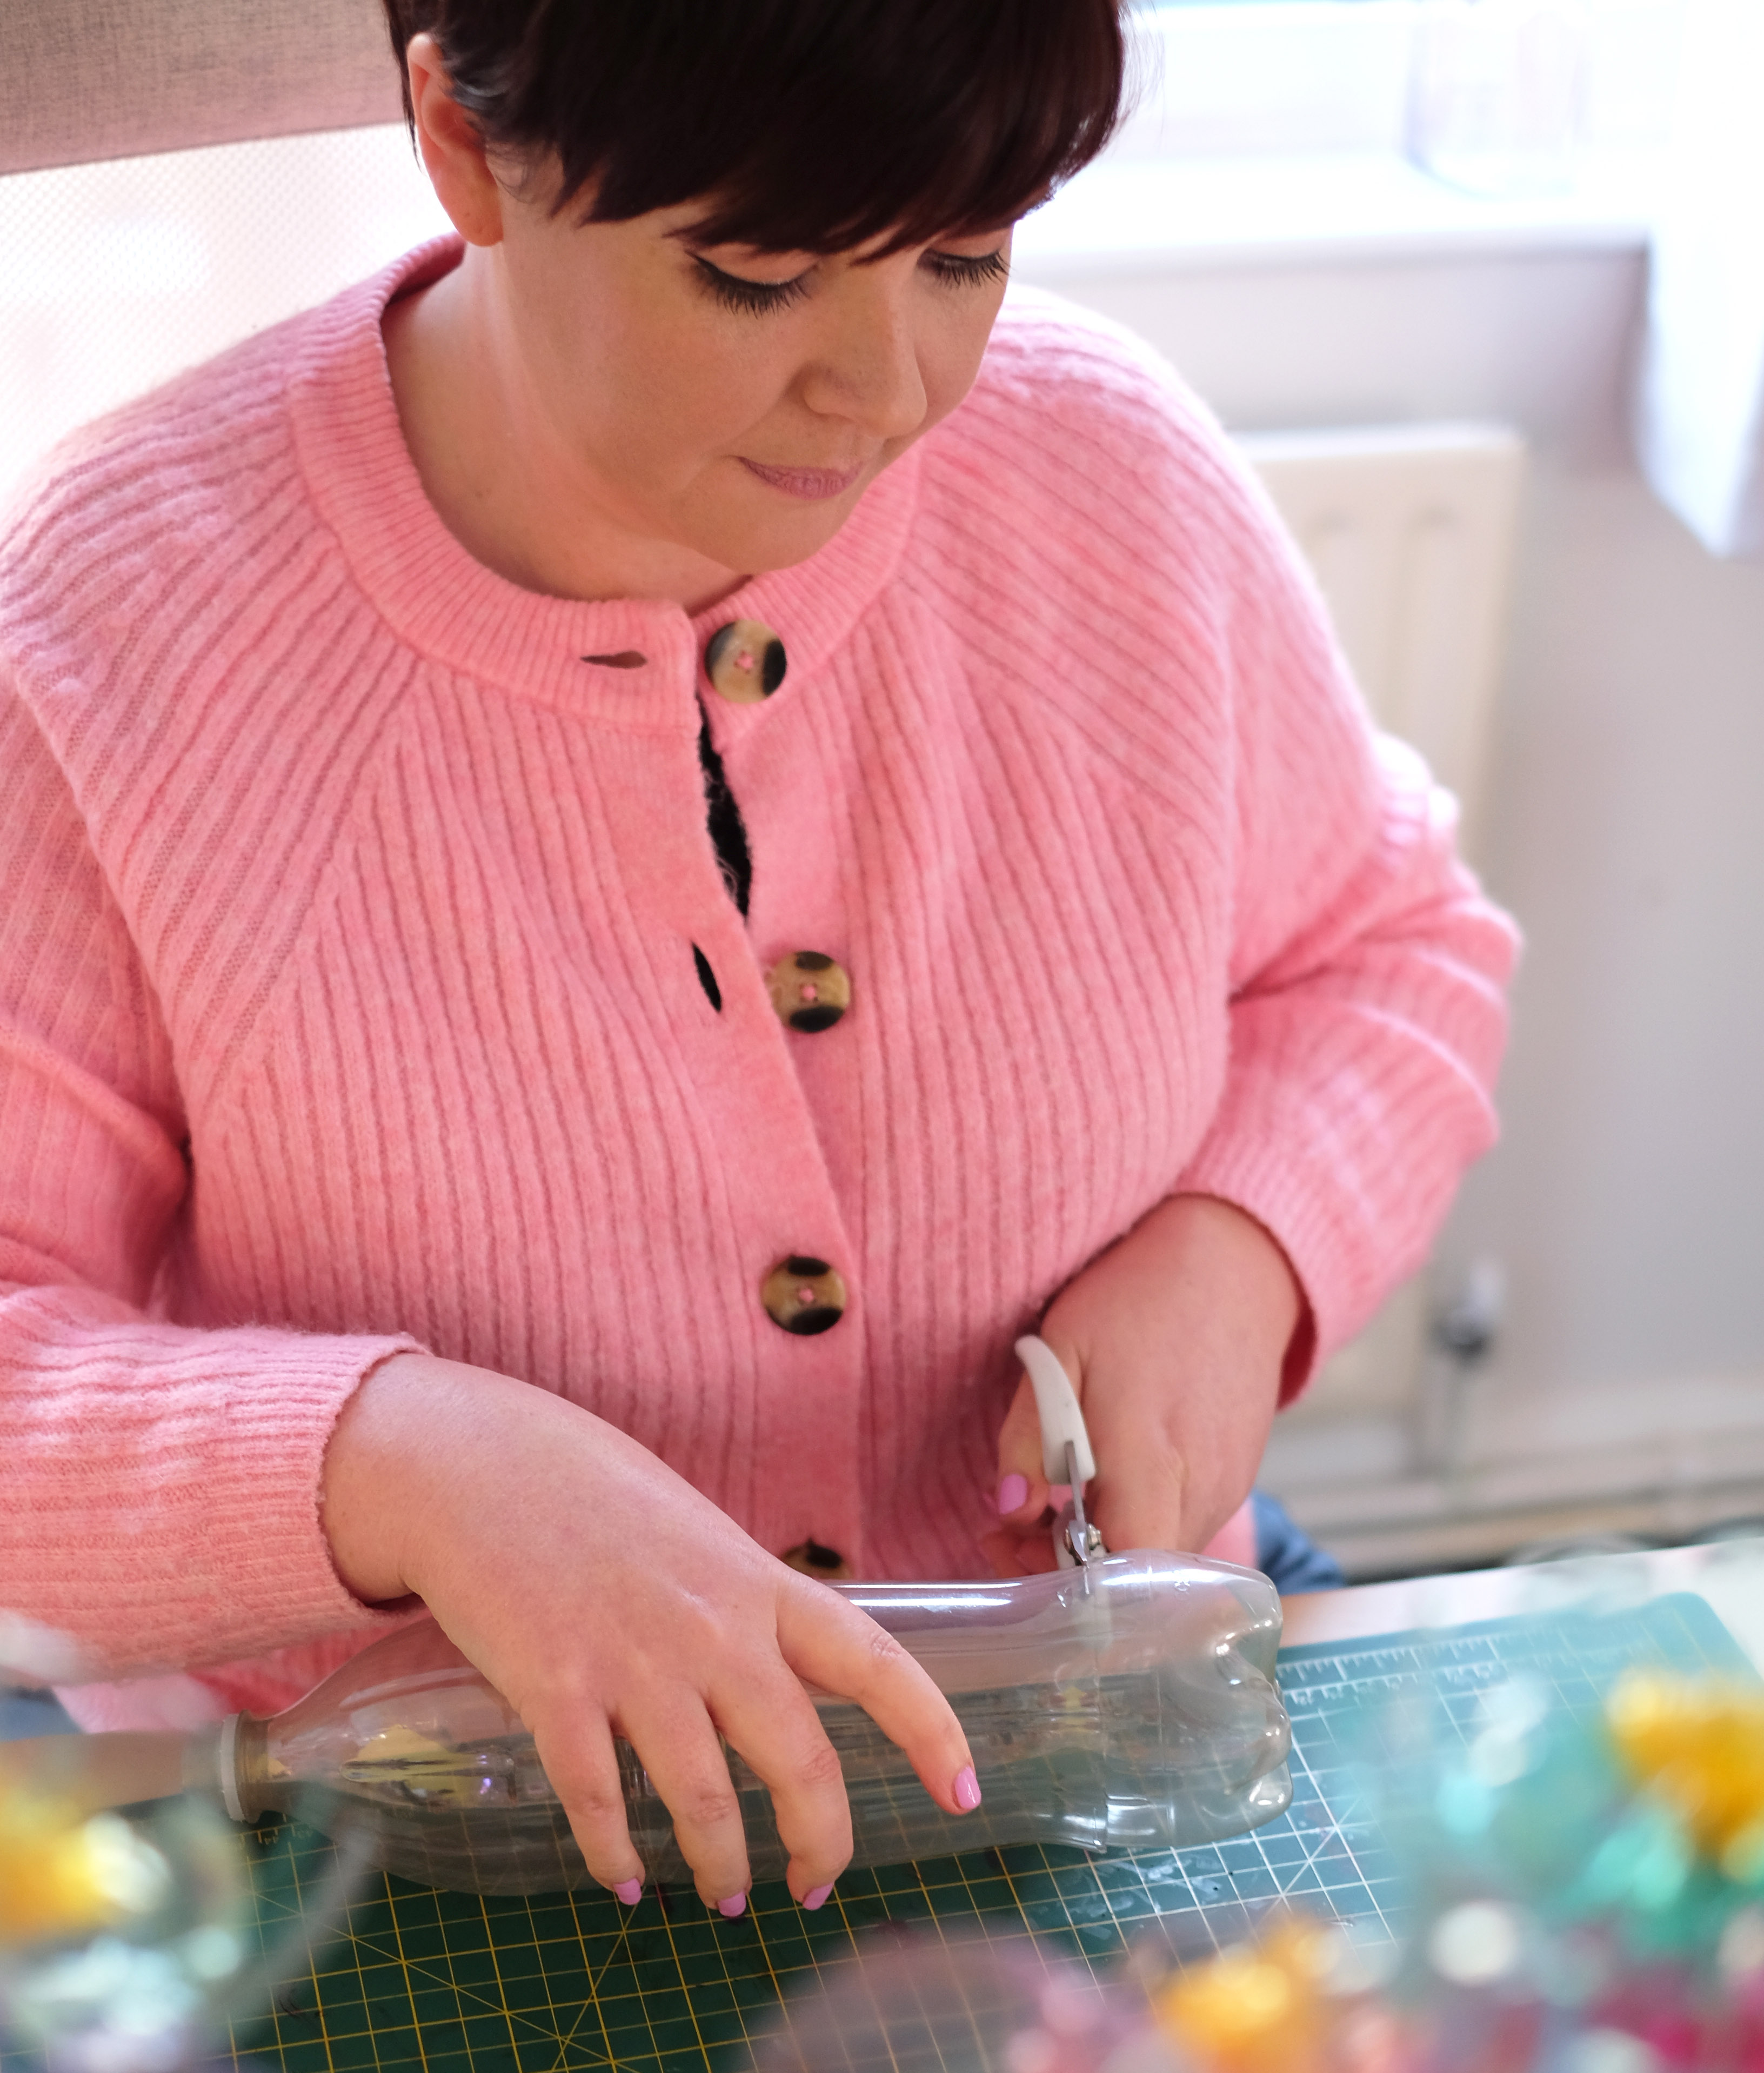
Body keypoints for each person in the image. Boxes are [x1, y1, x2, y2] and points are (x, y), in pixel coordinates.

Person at [0, 0, 1515, 1922]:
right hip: (428, 1833)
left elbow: (1393, 947)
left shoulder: (1113, 477)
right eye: (759, 274)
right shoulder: (114, 623)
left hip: (1082, 1739)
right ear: (463, 139)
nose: (888, 388)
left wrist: (1245, 1244)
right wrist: (404, 1465)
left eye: (965, 252)